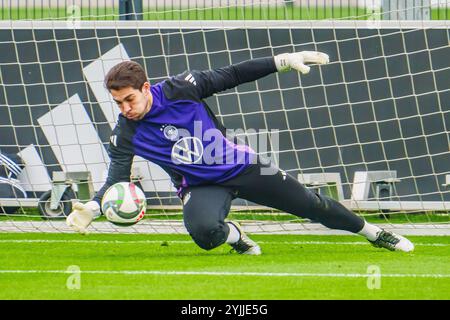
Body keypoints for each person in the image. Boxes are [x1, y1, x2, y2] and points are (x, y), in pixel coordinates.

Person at [66, 52, 414, 254]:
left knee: (312, 205)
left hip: (242, 166)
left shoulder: (180, 88)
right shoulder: (126, 132)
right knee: (204, 233)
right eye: (118, 103)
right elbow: (116, 179)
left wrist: (281, 61)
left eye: (130, 99)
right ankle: (236, 236)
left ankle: (374, 233)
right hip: (201, 185)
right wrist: (94, 207)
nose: (125, 108)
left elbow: (232, 75)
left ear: (145, 88)